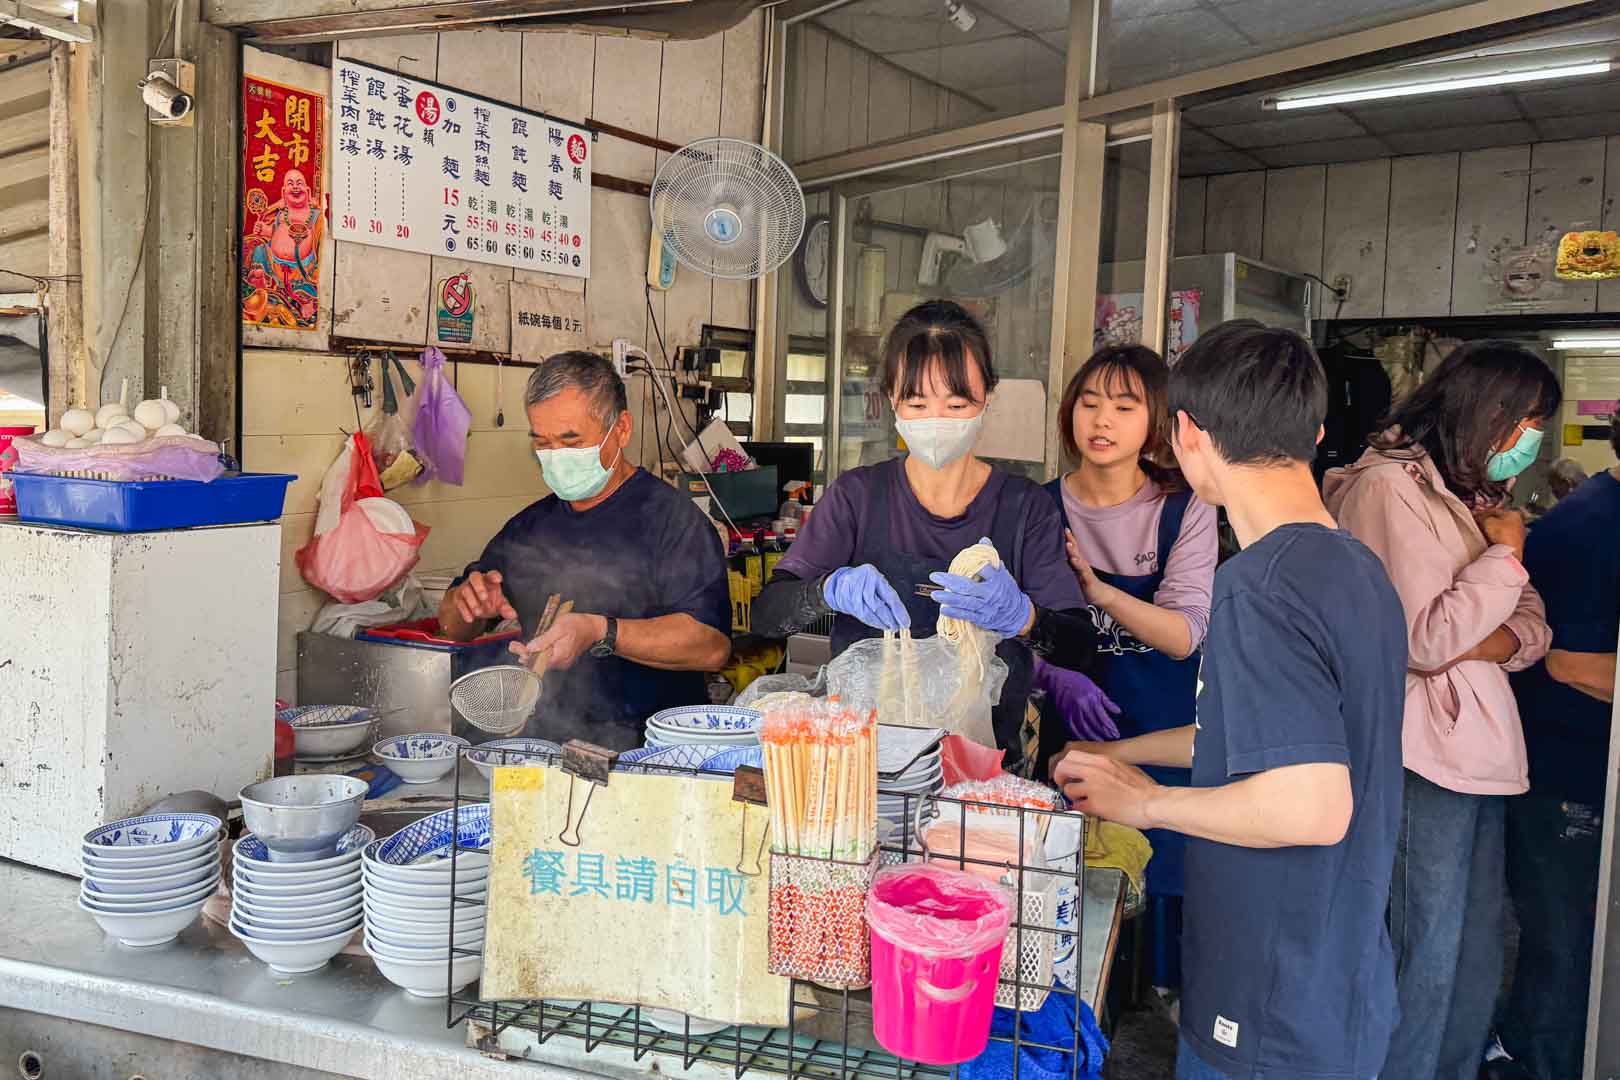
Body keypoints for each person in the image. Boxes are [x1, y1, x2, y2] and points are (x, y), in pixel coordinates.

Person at [1054, 322, 1408, 1080]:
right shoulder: (1352, 567)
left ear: (1183, 432)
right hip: (1335, 976)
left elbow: (1309, 806)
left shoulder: (1259, 586)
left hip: (1268, 1002)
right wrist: (1121, 755)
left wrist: (1148, 805)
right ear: (1313, 433)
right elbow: (1249, 734)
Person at [1322, 339, 1558, 1080]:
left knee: (1474, 941)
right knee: (1424, 945)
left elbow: (1531, 628)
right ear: (1481, 411)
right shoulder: (1389, 490)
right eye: (1523, 421)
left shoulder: (1467, 498)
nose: (1530, 441)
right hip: (1421, 749)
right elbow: (1424, 637)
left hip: (1476, 751)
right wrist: (1506, 557)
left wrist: (1491, 623)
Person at [752, 300, 1094, 769]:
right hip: (860, 765)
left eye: (957, 404)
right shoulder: (858, 496)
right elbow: (767, 617)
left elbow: (1080, 646)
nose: (938, 420)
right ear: (891, 398)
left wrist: (1024, 617)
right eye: (917, 403)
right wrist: (827, 591)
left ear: (988, 398)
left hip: (982, 769)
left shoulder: (1025, 509)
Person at [436, 351, 732, 750]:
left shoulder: (672, 521)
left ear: (621, 429)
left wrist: (599, 630)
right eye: (542, 442)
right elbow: (453, 627)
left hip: (649, 754)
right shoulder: (528, 528)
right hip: (547, 747)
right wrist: (467, 603)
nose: (555, 455)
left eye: (570, 440)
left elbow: (711, 646)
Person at [1043, 343, 1217, 994]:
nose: (1102, 420)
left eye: (1124, 405)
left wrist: (1102, 592)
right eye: (1089, 403)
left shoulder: (1185, 507)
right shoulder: (1039, 508)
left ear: (1157, 422)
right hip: (1066, 731)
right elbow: (1018, 632)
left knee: (1162, 889)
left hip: (1162, 731)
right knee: (1068, 890)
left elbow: (1182, 635)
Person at [1488, 411, 1620, 1080]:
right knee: (1568, 951)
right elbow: (1572, 663)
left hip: (1582, 774)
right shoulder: (1596, 528)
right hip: (1564, 780)